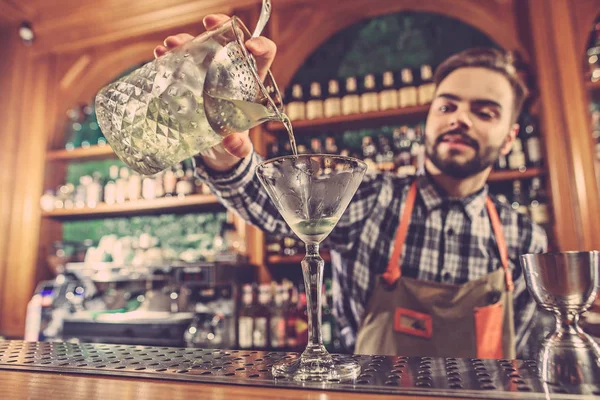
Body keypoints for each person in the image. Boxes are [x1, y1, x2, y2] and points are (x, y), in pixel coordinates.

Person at [155, 14, 547, 358]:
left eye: (484, 111)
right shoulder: (375, 198)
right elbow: (272, 199)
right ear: (428, 118)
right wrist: (222, 149)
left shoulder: (526, 240)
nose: (460, 119)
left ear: (510, 137)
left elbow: (529, 353)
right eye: (447, 106)